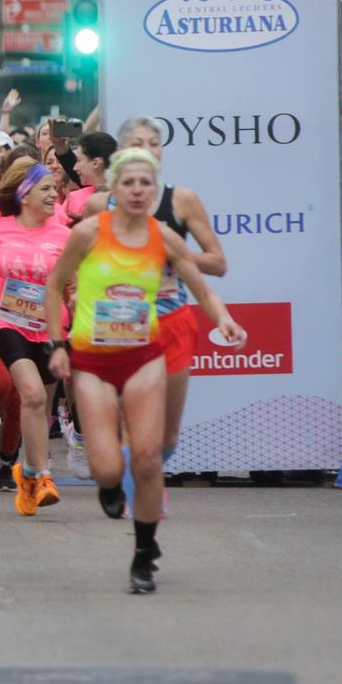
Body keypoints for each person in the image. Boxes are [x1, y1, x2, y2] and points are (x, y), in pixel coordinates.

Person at [47, 149, 243, 593]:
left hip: (144, 357)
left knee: (149, 456)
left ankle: (143, 555)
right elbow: (55, 283)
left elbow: (202, 289)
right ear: (112, 189)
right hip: (93, 361)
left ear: (155, 192)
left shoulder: (166, 238)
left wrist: (225, 319)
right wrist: (57, 344)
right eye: (128, 183)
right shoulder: (88, 233)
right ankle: (110, 486)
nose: (137, 191)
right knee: (106, 468)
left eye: (145, 184)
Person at [84, 117, 225, 487]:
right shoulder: (99, 205)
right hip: (121, 320)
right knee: (132, 422)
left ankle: (140, 473)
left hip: (171, 321)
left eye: (154, 142)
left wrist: (169, 254)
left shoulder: (181, 199)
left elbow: (217, 262)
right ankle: (137, 504)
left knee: (166, 439)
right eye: (137, 142)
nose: (147, 148)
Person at [0, 161, 70, 516]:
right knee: (29, 393)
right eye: (45, 188)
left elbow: (73, 280)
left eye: (55, 189)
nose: (53, 194)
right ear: (24, 193)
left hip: (50, 326)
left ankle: (27, 472)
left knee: (41, 406)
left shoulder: (63, 235)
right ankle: (44, 475)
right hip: (7, 322)